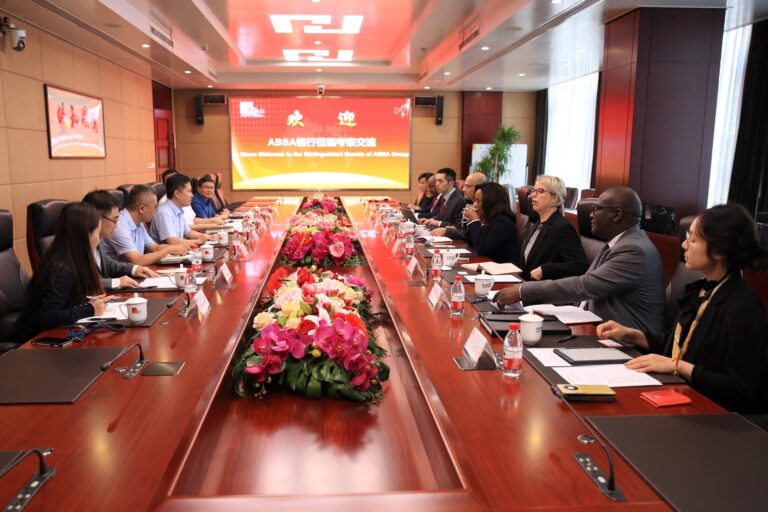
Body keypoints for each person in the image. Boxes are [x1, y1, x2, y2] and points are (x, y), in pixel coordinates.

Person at [597, 204, 768, 413]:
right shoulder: (701, 289)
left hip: (712, 413)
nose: (685, 245)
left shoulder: (743, 307)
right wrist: (631, 334)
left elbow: (739, 387)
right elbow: (678, 345)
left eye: (693, 239)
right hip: (677, 395)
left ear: (719, 250)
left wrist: (677, 365)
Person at [495, 186, 665, 343]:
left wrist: (523, 291)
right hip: (589, 325)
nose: (590, 215)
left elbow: (585, 286)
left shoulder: (634, 250)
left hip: (624, 344)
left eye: (596, 209)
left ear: (617, 215)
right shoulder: (619, 242)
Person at [9, 203, 110, 345]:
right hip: (34, 342)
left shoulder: (71, 258)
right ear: (86, 234)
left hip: (56, 336)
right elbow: (49, 316)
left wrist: (89, 302)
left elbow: (67, 301)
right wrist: (89, 309)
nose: (99, 239)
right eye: (97, 233)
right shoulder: (62, 268)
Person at [82, 190, 158, 289]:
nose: (116, 225)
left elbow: (108, 264)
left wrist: (134, 269)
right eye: (114, 220)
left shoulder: (99, 239)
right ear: (97, 218)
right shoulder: (76, 246)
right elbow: (82, 283)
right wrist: (116, 282)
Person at [519, 176, 588, 280]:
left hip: (542, 287)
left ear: (555, 198)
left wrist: (546, 270)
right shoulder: (538, 223)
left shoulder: (562, 228)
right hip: (525, 284)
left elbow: (580, 266)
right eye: (534, 190)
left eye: (540, 191)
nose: (533, 195)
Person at [106, 184, 188, 266]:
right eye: (154, 207)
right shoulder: (120, 225)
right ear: (142, 208)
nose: (156, 211)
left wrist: (177, 248)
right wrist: (168, 250)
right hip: (120, 273)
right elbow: (137, 261)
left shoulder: (139, 222)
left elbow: (155, 247)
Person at [463, 182, 520, 264]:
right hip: (489, 265)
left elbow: (482, 250)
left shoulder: (502, 222)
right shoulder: (489, 218)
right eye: (475, 200)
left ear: (490, 203)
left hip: (503, 268)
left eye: (478, 201)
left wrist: (475, 221)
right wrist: (469, 221)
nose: (474, 204)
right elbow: (471, 243)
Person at [149, 174, 212, 247]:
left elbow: (188, 232)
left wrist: (207, 237)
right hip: (167, 253)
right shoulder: (164, 213)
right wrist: (198, 241)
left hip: (178, 250)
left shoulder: (178, 209)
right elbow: (172, 241)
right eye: (189, 191)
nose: (192, 195)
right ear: (177, 193)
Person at [431, 171, 486, 240]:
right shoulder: (469, 204)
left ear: (479, 188)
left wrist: (446, 231)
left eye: (467, 186)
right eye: (464, 186)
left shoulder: (485, 209)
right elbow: (463, 230)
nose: (463, 189)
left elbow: (469, 235)